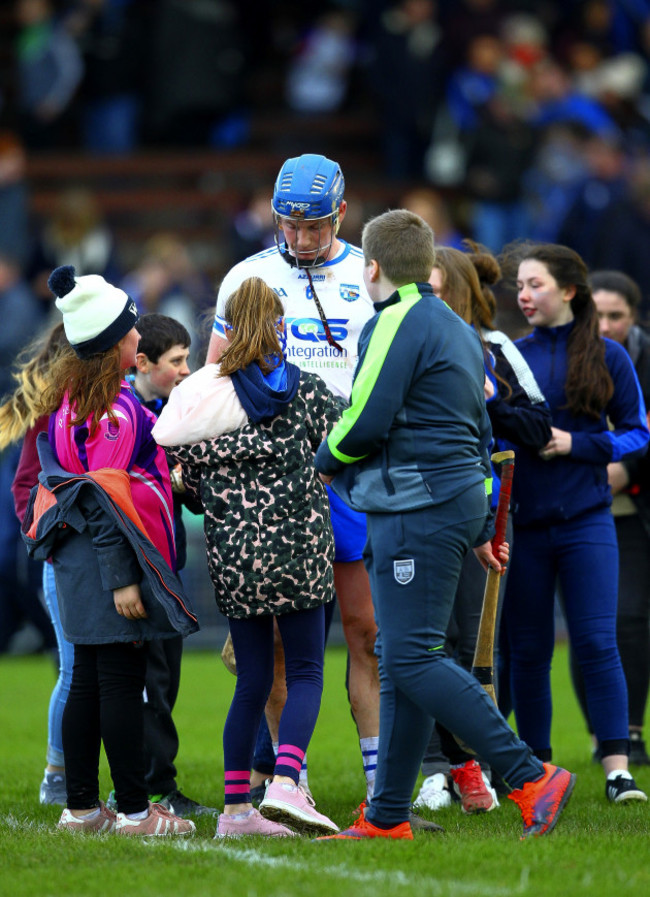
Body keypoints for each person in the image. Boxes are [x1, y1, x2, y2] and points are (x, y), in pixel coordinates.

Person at [313, 209, 575, 841]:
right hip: (452, 497)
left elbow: (366, 417)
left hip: (415, 503)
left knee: (412, 654)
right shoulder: (459, 327)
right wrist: (485, 520)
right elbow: (482, 427)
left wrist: (320, 461)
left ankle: (529, 774)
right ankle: (387, 817)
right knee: (402, 658)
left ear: (369, 267)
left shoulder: (393, 322)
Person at [205, 154, 381, 807]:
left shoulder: (369, 273)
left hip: (351, 477)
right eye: (289, 225)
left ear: (341, 211)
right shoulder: (246, 275)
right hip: (275, 483)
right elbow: (215, 378)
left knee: (365, 630)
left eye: (314, 226)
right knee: (279, 641)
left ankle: (378, 782)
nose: (301, 239)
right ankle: (291, 781)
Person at [154, 276, 341, 838]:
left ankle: (236, 812)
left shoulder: (204, 394)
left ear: (227, 329)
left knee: (252, 680)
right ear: (280, 328)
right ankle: (286, 781)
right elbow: (346, 438)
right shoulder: (303, 389)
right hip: (300, 550)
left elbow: (176, 468)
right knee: (306, 670)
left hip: (234, 558)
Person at [23, 264, 198, 836]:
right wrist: (124, 577)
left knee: (88, 682)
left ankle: (80, 809)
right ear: (108, 343)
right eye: (128, 331)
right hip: (106, 567)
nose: (137, 338)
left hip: (74, 564)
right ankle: (134, 812)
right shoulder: (112, 413)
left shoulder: (73, 401)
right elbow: (104, 503)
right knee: (121, 681)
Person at [498, 242, 649, 803]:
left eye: (534, 284)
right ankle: (538, 771)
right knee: (530, 649)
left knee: (596, 641)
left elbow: (638, 433)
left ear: (568, 291)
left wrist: (578, 444)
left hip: (588, 522)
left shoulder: (610, 356)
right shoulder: (511, 355)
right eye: (519, 286)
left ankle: (617, 770)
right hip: (526, 526)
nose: (523, 295)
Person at [414, 242, 553, 814]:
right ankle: (433, 767)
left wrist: (489, 400)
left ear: (460, 288)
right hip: (416, 509)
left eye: (435, 284)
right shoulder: (407, 338)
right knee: (421, 643)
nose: (424, 294)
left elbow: (538, 426)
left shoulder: (495, 347)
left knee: (475, 644)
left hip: (486, 512)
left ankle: (481, 767)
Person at [103, 312, 215, 816]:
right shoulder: (125, 416)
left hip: (167, 567)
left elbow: (179, 494)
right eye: (177, 361)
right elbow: (113, 498)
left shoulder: (169, 414)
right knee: (147, 682)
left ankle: (151, 783)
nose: (187, 369)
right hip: (140, 571)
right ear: (142, 363)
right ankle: (147, 787)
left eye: (188, 358)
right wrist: (123, 575)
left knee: (163, 678)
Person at [567, 269, 650, 767]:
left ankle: (628, 733)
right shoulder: (567, 354)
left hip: (633, 505)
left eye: (616, 315)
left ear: (634, 317)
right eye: (598, 314)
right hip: (585, 506)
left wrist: (624, 469)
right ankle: (606, 735)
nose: (605, 325)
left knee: (631, 619)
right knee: (594, 625)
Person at [0, 323, 74, 803]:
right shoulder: (49, 411)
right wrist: (43, 533)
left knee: (82, 671)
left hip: (51, 553)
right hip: (55, 556)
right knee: (72, 669)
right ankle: (56, 771)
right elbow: (23, 485)